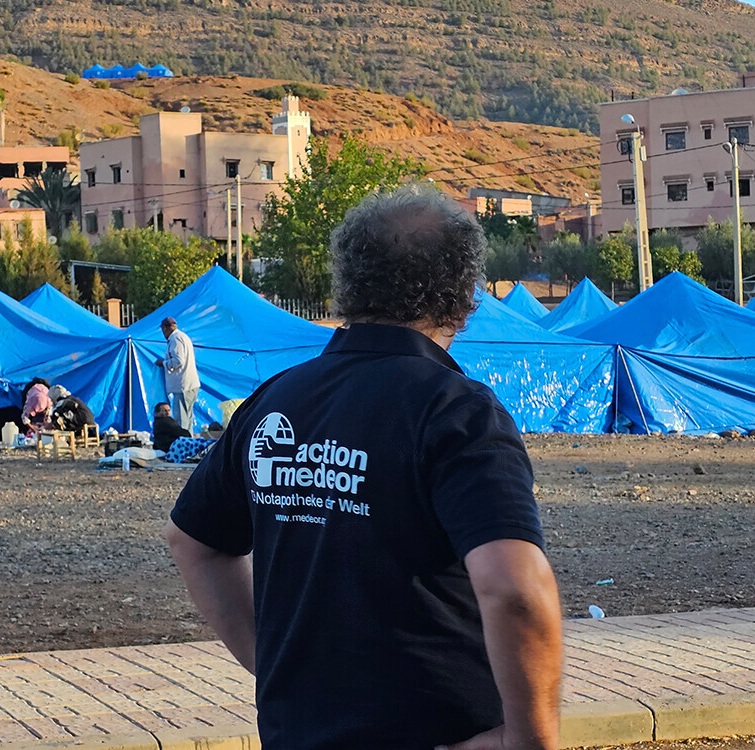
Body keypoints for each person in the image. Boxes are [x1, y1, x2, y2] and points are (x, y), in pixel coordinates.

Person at [165, 186, 563, 750]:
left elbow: (193, 542)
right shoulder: (456, 412)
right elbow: (515, 587)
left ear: (348, 287)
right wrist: (527, 743)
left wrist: (276, 666)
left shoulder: (276, 401)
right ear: (463, 298)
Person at [158, 317, 199, 431]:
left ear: (166, 328)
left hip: (183, 386)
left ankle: (183, 444)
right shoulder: (183, 337)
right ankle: (189, 442)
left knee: (181, 421)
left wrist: (164, 363)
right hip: (188, 384)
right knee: (187, 419)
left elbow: (178, 360)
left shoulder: (176, 339)